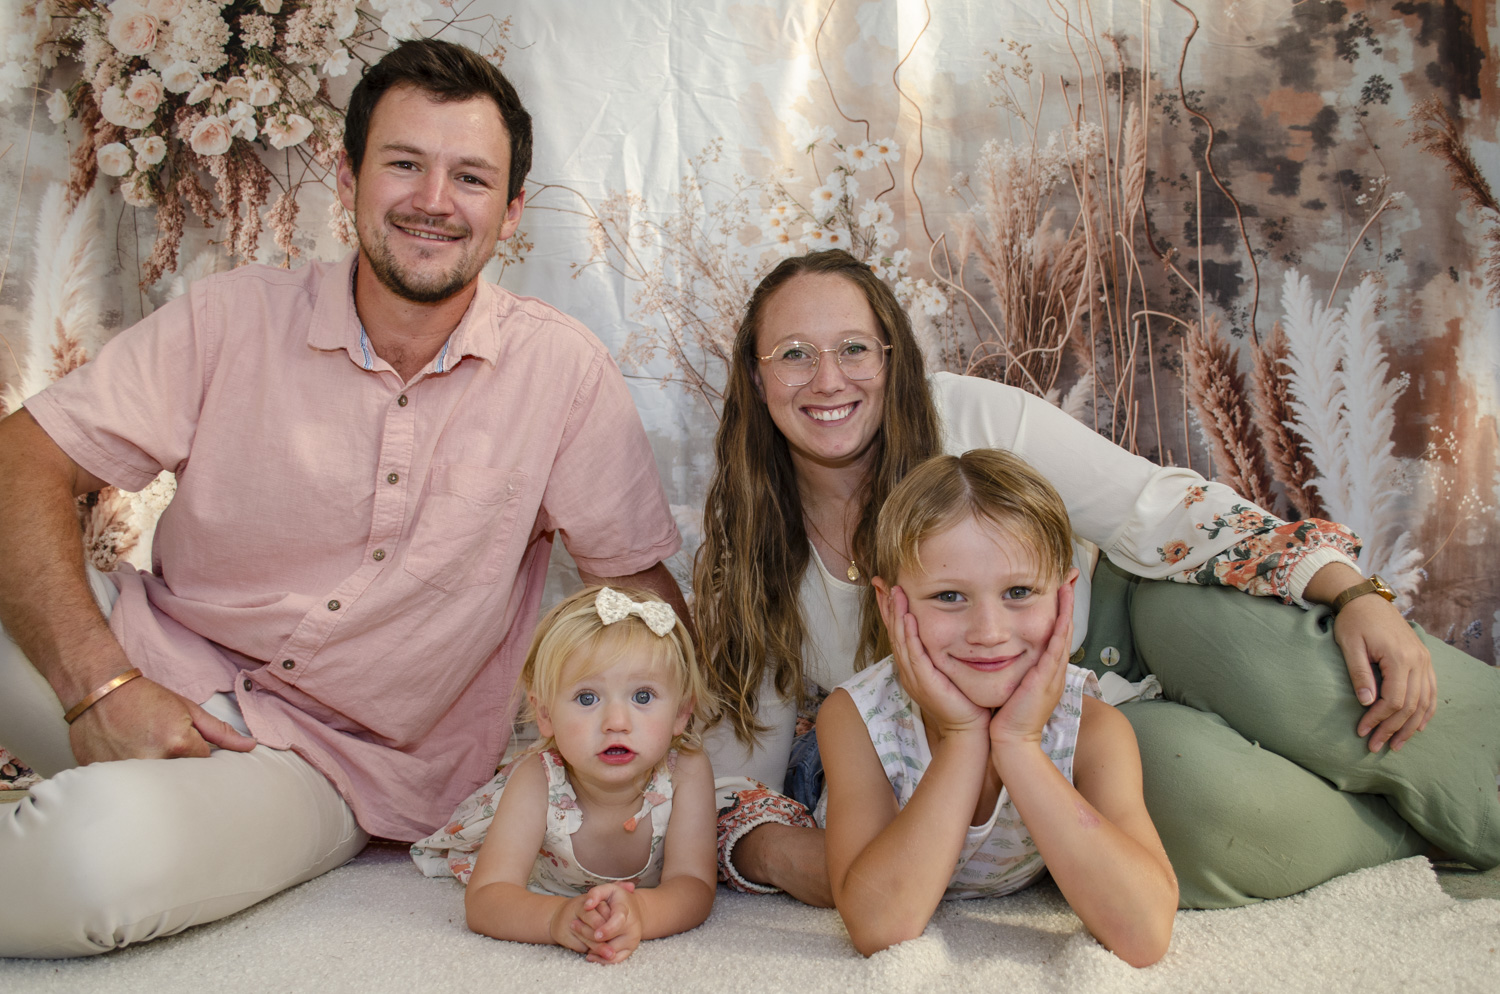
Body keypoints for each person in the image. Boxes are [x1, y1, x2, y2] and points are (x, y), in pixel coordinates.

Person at [0, 40, 685, 957]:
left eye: (471, 178)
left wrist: (683, 775)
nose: (435, 202)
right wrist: (101, 687)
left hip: (326, 766)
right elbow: (23, 459)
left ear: (513, 210)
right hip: (143, 653)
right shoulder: (231, 317)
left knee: (85, 862)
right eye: (405, 164)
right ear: (348, 174)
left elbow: (637, 601)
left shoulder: (561, 374)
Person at [695, 249, 1500, 909]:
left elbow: (1153, 508)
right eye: (794, 355)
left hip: (1131, 617)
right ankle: (1411, 847)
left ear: (891, 355)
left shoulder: (974, 418)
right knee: (1193, 796)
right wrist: (827, 865)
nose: (828, 380)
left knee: (1280, 663)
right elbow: (742, 771)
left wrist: (1347, 588)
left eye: (853, 348)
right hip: (1058, 732)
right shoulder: (751, 548)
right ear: (757, 378)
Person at [820, 450, 1176, 963]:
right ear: (889, 606)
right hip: (819, 777)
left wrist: (1019, 744)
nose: (988, 633)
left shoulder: (1095, 730)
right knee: (810, 864)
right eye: (948, 597)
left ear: (1065, 598)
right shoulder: (855, 719)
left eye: (1018, 591)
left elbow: (1144, 934)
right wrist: (964, 736)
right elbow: (878, 927)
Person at [411, 586, 717, 964]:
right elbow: (487, 897)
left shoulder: (686, 769)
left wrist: (642, 913)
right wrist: (556, 918)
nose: (616, 723)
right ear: (545, 715)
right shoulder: (536, 780)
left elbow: (694, 884)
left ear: (683, 713)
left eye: (643, 696)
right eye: (588, 698)